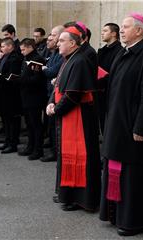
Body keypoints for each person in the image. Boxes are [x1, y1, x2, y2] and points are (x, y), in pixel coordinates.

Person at [100, 13, 143, 236]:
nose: (122, 30)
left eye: (126, 27)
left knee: (134, 175)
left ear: (139, 30)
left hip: (132, 128)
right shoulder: (122, 53)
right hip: (116, 124)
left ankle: (135, 220)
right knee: (117, 170)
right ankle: (117, 214)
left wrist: (141, 128)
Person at [46, 26, 101, 212]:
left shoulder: (80, 61)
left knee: (81, 157)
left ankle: (81, 199)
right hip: (68, 115)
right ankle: (68, 195)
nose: (58, 43)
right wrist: (51, 103)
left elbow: (73, 94)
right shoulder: (67, 60)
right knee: (67, 156)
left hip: (79, 118)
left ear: (72, 43)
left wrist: (56, 110)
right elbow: (58, 88)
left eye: (62, 40)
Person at [17, 38, 47, 160]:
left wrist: (20, 80)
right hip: (26, 95)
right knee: (29, 124)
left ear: (30, 47)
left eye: (23, 49)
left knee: (36, 124)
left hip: (35, 96)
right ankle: (30, 146)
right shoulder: (26, 58)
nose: (22, 52)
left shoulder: (37, 59)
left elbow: (38, 79)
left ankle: (38, 149)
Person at [0, 37, 23, 154]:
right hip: (2, 92)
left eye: (3, 46)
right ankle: (7, 141)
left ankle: (13, 143)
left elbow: (11, 76)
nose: (1, 49)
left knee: (12, 120)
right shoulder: (5, 57)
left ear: (10, 46)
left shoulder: (15, 58)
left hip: (11, 94)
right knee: (5, 119)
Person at [40, 25, 64, 162]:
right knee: (50, 125)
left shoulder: (60, 54)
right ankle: (54, 151)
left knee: (55, 126)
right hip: (50, 91)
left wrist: (45, 69)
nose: (51, 37)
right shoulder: (54, 52)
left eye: (54, 35)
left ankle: (56, 152)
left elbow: (51, 71)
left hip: (57, 93)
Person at [97, 23, 123, 134]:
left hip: (110, 92)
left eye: (105, 31)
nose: (102, 33)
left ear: (113, 34)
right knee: (103, 122)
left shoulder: (119, 51)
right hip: (99, 90)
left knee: (111, 126)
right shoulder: (102, 50)